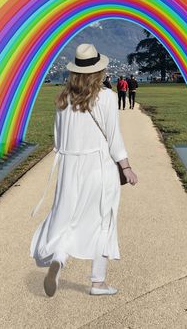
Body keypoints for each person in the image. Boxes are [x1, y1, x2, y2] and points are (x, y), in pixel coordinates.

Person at [30, 43, 138, 298]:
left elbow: (57, 140)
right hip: (97, 166)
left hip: (69, 167)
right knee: (103, 220)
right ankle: (97, 282)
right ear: (98, 71)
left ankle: (59, 258)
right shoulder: (106, 98)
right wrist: (126, 166)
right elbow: (113, 137)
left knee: (69, 217)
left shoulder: (62, 99)